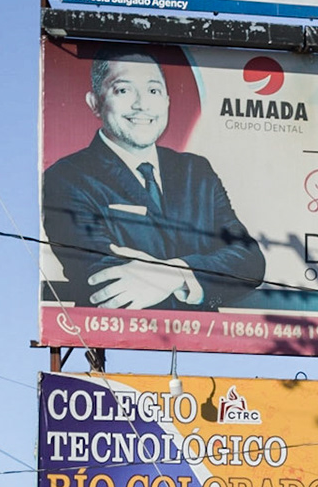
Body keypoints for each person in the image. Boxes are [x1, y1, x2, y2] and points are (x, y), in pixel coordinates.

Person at [42, 48, 266, 309]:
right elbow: (101, 278)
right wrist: (198, 271)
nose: (142, 104)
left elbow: (249, 260)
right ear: (95, 103)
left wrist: (175, 274)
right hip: (117, 334)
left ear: (167, 101)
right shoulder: (66, 177)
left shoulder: (196, 171)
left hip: (202, 335)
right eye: (123, 90)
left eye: (153, 91)